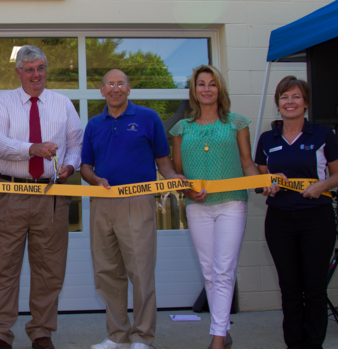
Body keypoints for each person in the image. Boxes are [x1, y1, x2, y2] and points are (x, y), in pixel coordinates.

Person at [0, 45, 83, 349]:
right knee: (4, 266)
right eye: (29, 69)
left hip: (51, 194)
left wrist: (70, 165)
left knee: (49, 267)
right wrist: (33, 149)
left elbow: (76, 144)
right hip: (11, 192)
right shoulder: (5, 101)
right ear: (19, 72)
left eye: (40, 68)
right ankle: (0, 334)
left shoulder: (63, 103)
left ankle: (41, 332)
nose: (36, 74)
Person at [170, 65, 276, 349]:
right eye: (201, 84)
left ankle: (217, 338)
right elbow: (179, 173)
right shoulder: (181, 129)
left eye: (212, 84)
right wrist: (188, 193)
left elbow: (247, 163)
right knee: (209, 270)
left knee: (224, 269)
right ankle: (224, 331)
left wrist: (265, 181)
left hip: (232, 203)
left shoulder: (237, 123)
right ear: (194, 90)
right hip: (198, 207)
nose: (206, 89)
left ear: (220, 89)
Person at [80, 69, 187, 349]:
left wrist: (173, 177)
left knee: (140, 271)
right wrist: (95, 179)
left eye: (121, 83)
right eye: (109, 84)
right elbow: (85, 167)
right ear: (101, 90)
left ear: (128, 88)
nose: (115, 88)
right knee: (106, 272)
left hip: (138, 203)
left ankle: (142, 337)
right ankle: (117, 336)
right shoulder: (93, 124)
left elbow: (163, 161)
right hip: (102, 203)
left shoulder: (148, 118)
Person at [255, 76, 338, 349]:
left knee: (313, 289)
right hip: (279, 221)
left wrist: (322, 185)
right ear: (277, 104)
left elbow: (337, 174)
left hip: (317, 218)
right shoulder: (268, 139)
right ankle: (294, 344)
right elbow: (259, 177)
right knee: (289, 290)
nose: (290, 102)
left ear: (306, 103)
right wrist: (267, 184)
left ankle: (313, 345)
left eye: (296, 97)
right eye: (284, 97)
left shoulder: (324, 135)